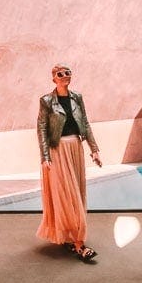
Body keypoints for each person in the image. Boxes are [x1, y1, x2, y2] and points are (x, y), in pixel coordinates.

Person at [36, 63, 102, 262]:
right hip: (58, 151)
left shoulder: (77, 98)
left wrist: (94, 149)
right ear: (54, 78)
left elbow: (86, 123)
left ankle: (71, 237)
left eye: (68, 73)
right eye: (60, 74)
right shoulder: (47, 100)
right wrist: (45, 157)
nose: (65, 76)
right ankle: (79, 244)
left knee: (77, 193)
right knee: (67, 195)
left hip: (76, 148)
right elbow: (42, 129)